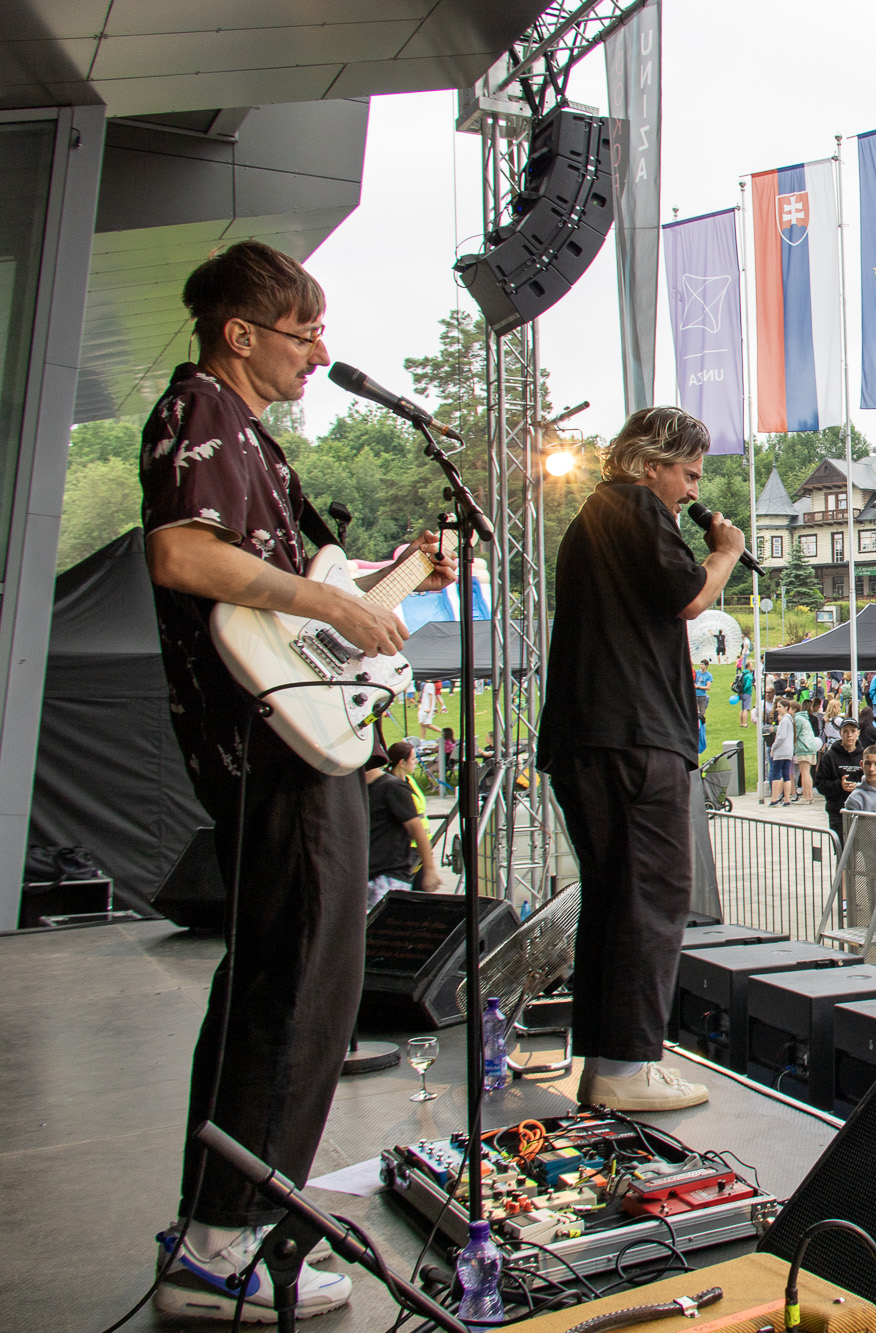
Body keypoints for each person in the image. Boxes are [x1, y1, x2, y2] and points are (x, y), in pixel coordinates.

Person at [140, 241, 458, 1319]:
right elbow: (183, 556)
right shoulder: (201, 413)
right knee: (295, 988)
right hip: (266, 745)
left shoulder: (244, 435)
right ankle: (219, 1245)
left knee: (289, 980)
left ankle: (220, 1223)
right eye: (304, 333)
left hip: (289, 733)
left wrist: (391, 579)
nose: (320, 354)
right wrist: (333, 603)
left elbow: (287, 597)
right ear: (240, 333)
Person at [538, 403, 742, 1116]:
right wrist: (725, 551)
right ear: (651, 464)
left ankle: (608, 1061)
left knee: (614, 897)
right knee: (652, 894)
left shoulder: (596, 516)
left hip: (591, 737)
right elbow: (690, 597)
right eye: (688, 474)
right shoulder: (634, 507)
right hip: (632, 737)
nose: (692, 491)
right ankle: (628, 1064)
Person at [365, 743, 441, 908]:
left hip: (388, 875)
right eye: (413, 759)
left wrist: (429, 868)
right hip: (367, 875)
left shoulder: (392, 787)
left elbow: (416, 827)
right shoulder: (362, 789)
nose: (416, 762)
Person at [813, 718, 867, 840]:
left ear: (858, 733)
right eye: (845, 731)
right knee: (841, 848)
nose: (849, 735)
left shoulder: (865, 755)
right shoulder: (829, 757)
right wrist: (839, 785)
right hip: (838, 812)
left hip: (862, 811)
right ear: (840, 733)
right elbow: (820, 784)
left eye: (853, 731)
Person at [767, 698, 798, 804]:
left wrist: (773, 747)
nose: (777, 709)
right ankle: (787, 799)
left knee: (776, 774)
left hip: (781, 751)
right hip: (788, 751)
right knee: (786, 775)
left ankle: (774, 798)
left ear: (786, 708)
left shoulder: (785, 720)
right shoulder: (790, 720)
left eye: (780, 707)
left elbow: (781, 736)